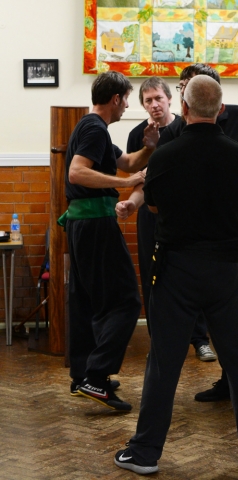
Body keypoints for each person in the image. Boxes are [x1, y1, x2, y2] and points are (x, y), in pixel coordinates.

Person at [117, 63, 238, 413]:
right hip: (217, 240)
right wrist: (132, 201)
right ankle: (230, 380)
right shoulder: (179, 131)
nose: (188, 96)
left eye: (193, 89)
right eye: (185, 88)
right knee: (225, 313)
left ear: (213, 97)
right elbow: (152, 177)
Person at [59, 71, 159, 411]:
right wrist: (126, 182)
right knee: (127, 301)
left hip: (82, 225)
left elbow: (127, 162)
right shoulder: (92, 128)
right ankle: (96, 376)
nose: (128, 106)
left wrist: (149, 146)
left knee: (88, 301)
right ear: (115, 99)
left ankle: (84, 376)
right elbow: (77, 172)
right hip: (94, 223)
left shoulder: (93, 129)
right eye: (127, 99)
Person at [125, 76, 217, 361]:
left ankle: (199, 339)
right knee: (153, 279)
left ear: (170, 99)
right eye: (147, 101)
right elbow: (139, 179)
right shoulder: (137, 134)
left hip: (182, 216)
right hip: (149, 215)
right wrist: (131, 201)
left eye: (158, 99)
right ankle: (159, 339)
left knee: (191, 275)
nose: (154, 105)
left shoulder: (185, 126)